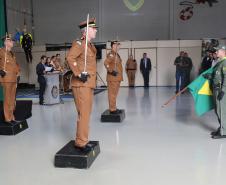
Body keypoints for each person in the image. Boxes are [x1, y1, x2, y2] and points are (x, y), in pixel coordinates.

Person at [67, 17, 98, 151]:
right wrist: (79, 74)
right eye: (93, 28)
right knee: (83, 113)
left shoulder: (90, 46)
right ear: (86, 31)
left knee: (86, 113)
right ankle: (81, 142)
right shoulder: (80, 44)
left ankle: (83, 139)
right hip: (81, 85)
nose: (95, 30)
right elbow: (70, 58)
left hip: (88, 84)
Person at [204, 46, 226, 138]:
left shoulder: (225, 63)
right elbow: (218, 76)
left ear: (223, 51)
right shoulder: (220, 62)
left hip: (221, 90)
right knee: (218, 110)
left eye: (217, 50)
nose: (216, 52)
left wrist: (223, 91)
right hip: (216, 89)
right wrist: (210, 76)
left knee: (222, 110)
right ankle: (222, 128)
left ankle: (224, 132)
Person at [0, 34, 20, 123]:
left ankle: (12, 117)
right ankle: (7, 118)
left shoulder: (12, 53)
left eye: (12, 41)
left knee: (12, 99)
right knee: (8, 98)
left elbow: (16, 65)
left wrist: (18, 72)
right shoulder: (1, 51)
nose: (12, 42)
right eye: (10, 40)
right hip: (7, 79)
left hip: (14, 78)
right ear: (5, 42)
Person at [104, 40, 123, 114]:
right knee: (112, 94)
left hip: (117, 78)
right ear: (113, 46)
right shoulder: (111, 54)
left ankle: (114, 107)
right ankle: (112, 109)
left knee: (114, 94)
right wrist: (111, 71)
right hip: (113, 78)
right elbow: (106, 63)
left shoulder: (116, 54)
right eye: (117, 45)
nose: (119, 46)